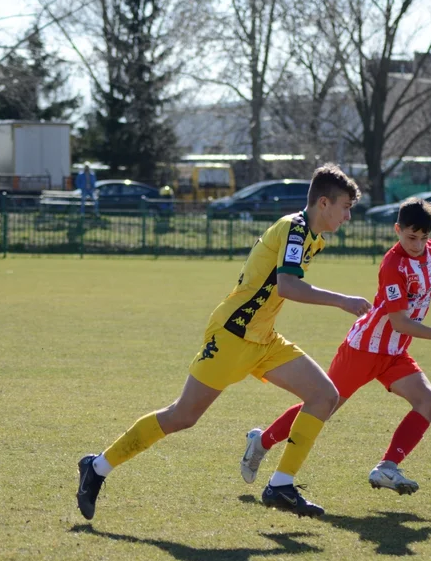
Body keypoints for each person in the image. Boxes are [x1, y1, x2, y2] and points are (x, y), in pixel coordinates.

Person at [76, 164, 371, 520]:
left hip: (264, 340)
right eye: (345, 207)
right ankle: (98, 466)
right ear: (324, 203)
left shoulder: (312, 237)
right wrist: (343, 300)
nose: (348, 215)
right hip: (233, 335)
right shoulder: (295, 229)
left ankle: (280, 485)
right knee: (182, 416)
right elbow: (287, 286)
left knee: (325, 395)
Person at [241, 197, 431, 495]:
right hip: (364, 349)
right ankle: (262, 441)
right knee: (324, 406)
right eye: (411, 237)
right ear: (397, 230)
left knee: (429, 403)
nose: (418, 244)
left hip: (394, 353)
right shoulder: (393, 264)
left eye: (424, 238)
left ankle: (387, 467)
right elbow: (399, 323)